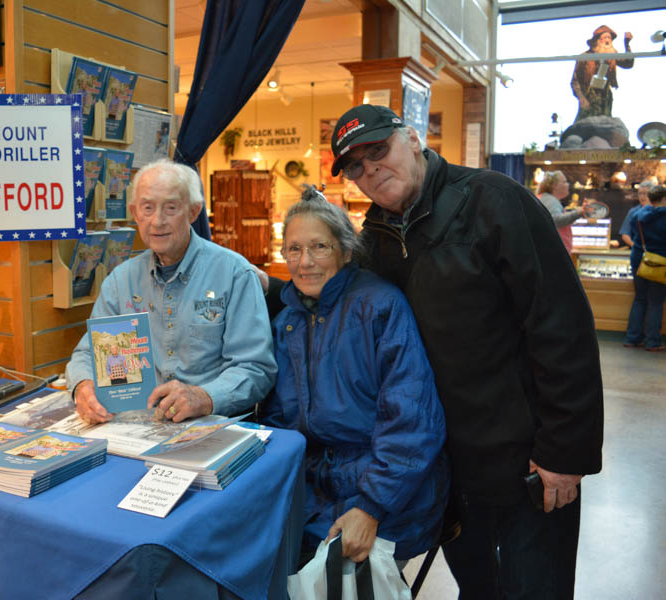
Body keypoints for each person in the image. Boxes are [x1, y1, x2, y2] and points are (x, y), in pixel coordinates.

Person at [329, 104, 603, 599]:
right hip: (446, 468)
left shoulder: (493, 201)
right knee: (477, 589)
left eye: (378, 150)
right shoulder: (376, 239)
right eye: (355, 165)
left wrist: (565, 450)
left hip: (528, 462)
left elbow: (562, 326)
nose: (370, 169)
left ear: (412, 139)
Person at [258, 188, 449, 565]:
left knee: (320, 568)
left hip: (388, 487)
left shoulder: (380, 306)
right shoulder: (289, 322)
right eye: (294, 249)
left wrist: (371, 506)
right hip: (317, 484)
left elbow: (411, 423)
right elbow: (280, 422)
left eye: (319, 247)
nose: (305, 262)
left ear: (346, 251)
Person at [67, 159, 276, 423]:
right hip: (135, 425)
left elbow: (256, 369)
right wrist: (83, 386)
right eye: (147, 208)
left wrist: (204, 397)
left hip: (209, 426)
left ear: (194, 211)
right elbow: (88, 354)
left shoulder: (235, 274)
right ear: (134, 212)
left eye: (171, 208)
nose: (157, 221)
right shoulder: (120, 281)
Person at [624, 185, 666, 351]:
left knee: (640, 298)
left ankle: (632, 338)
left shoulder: (637, 215)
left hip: (639, 259)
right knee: (655, 302)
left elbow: (633, 235)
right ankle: (652, 341)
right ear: (663, 199)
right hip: (660, 261)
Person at [571, 25, 633, 123]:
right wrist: (581, 98)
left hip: (605, 96)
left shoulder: (612, 55)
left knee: (604, 123)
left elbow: (628, 64)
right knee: (585, 123)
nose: (608, 40)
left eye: (609, 38)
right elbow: (575, 81)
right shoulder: (585, 57)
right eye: (605, 37)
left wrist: (627, 44)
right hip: (589, 95)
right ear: (598, 40)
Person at [536, 170, 587, 251]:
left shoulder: (546, 199)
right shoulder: (550, 200)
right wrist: (578, 213)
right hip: (553, 252)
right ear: (554, 185)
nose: (568, 184)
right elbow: (555, 220)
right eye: (564, 182)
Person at [619, 181, 654, 247]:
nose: (642, 196)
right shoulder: (633, 212)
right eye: (640, 194)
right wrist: (636, 247)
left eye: (645, 194)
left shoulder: (660, 210)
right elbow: (625, 234)